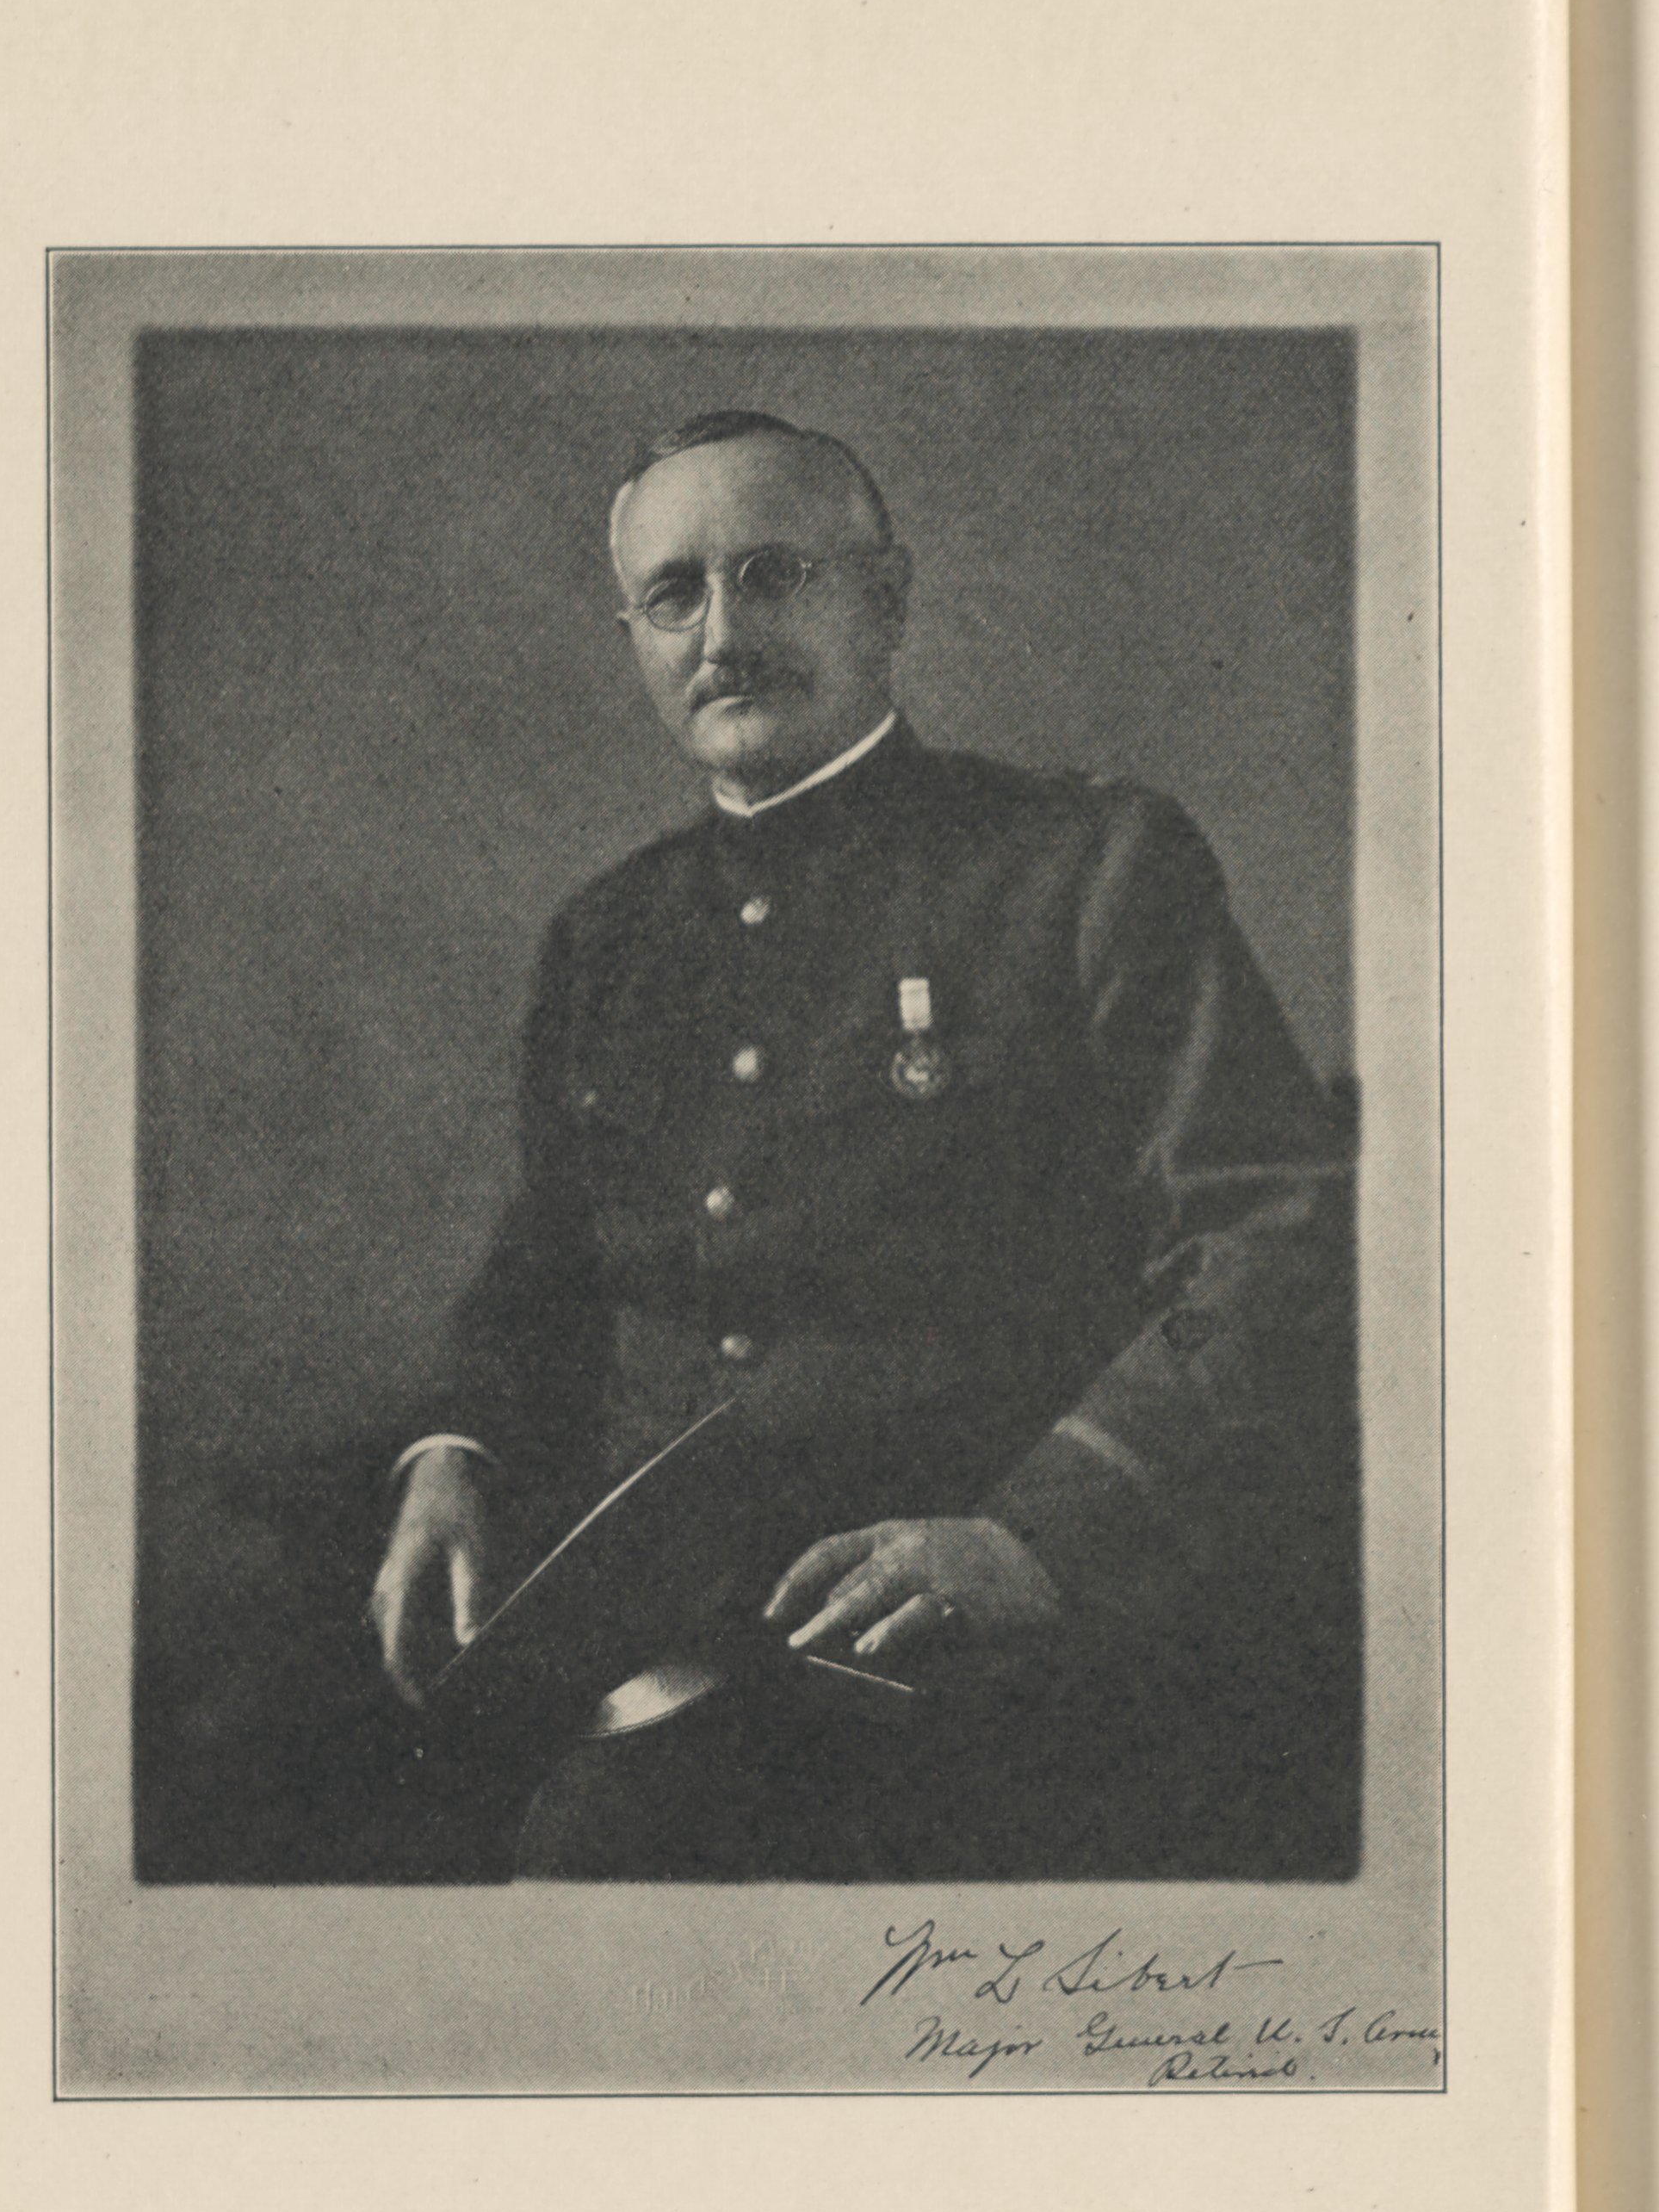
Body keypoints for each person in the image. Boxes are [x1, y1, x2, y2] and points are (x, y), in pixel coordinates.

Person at [368, 410, 1359, 1882]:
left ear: (885, 602)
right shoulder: (607, 940)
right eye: (674, 596)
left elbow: (1274, 1238)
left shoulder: (1088, 867)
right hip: (660, 1634)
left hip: (991, 1640)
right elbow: (545, 1269)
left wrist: (1044, 1534)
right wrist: (453, 1458)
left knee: (605, 1865)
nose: (724, 635)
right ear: (635, 639)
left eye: (773, 575)